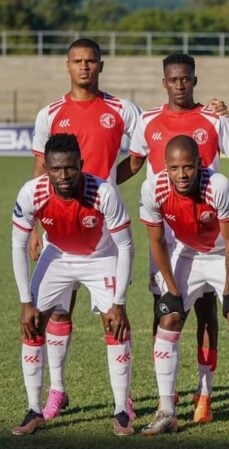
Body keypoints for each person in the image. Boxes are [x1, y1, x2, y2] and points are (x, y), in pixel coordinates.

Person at [125, 53, 229, 424]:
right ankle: (165, 402)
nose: (179, 85)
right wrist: (95, 185)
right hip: (171, 239)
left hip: (215, 230)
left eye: (186, 79)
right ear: (164, 81)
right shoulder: (147, 122)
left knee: (213, 313)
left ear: (194, 80)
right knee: (167, 312)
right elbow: (134, 164)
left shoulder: (213, 120)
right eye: (173, 79)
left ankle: (207, 392)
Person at [28, 38, 142, 422]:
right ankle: (57, 391)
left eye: (91, 61)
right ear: (67, 65)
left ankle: (122, 400)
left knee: (111, 316)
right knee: (58, 314)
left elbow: (140, 155)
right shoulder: (50, 113)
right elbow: (40, 172)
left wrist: (107, 189)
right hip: (58, 231)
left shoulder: (122, 110)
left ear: (101, 65)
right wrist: (33, 229)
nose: (84, 67)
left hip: (103, 233)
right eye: (77, 61)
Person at [11, 133, 135, 436]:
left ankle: (121, 411)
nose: (63, 176)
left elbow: (127, 246)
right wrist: (25, 301)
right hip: (58, 256)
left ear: (80, 164)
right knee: (33, 323)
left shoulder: (103, 192)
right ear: (46, 168)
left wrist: (118, 302)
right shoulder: (31, 193)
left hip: (101, 255)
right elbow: (17, 246)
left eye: (70, 168)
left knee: (115, 325)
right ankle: (34, 410)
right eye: (55, 169)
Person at [138, 136, 229, 438]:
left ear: (200, 165)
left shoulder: (218, 185)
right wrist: (171, 288)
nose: (182, 174)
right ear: (164, 167)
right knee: (169, 317)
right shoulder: (153, 189)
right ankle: (167, 411)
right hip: (187, 251)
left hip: (224, 253)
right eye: (175, 167)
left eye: (188, 167)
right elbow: (156, 242)